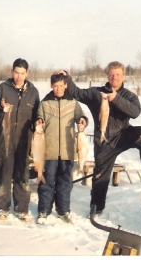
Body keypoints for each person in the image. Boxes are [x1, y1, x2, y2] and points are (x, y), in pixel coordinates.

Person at [56, 61, 141, 216]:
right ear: (107, 75)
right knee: (100, 176)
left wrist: (116, 99)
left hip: (124, 134)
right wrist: (66, 78)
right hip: (104, 140)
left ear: (123, 76)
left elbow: (135, 112)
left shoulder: (128, 95)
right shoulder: (97, 93)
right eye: (111, 74)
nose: (114, 77)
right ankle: (96, 208)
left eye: (117, 75)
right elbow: (77, 93)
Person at [0, 58, 40, 222]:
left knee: (22, 174)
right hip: (4, 139)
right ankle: (2, 208)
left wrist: (39, 121)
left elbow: (37, 114)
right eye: (16, 72)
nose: (19, 76)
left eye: (22, 73)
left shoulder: (33, 92)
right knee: (3, 172)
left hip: (24, 140)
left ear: (27, 73)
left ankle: (21, 209)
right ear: (12, 72)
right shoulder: (3, 88)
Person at [35, 73, 89, 225]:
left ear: (66, 85)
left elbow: (81, 116)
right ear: (51, 86)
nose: (58, 89)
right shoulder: (44, 103)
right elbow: (38, 117)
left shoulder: (72, 102)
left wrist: (82, 121)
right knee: (47, 181)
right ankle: (44, 210)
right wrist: (38, 121)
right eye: (55, 86)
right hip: (49, 151)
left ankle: (63, 210)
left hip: (67, 150)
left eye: (61, 85)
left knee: (65, 182)